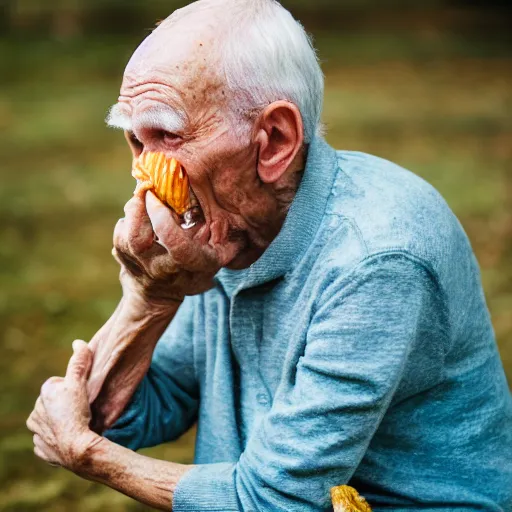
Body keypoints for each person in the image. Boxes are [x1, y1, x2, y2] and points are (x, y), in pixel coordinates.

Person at [26, 0, 512, 510]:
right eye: (134, 139)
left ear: (275, 140)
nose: (144, 173)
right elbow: (123, 413)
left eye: (167, 136)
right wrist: (149, 296)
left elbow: (276, 500)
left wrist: (88, 455)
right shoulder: (227, 228)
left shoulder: (378, 260)